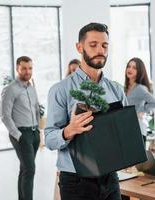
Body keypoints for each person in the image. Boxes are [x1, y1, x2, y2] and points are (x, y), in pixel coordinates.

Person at [45, 22, 127, 200]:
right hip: (76, 182)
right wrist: (69, 130)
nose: (100, 50)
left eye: (105, 45)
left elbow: (124, 133)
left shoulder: (117, 90)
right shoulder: (60, 90)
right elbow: (50, 140)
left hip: (110, 178)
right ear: (79, 47)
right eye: (93, 45)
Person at [0, 56, 40, 200]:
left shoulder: (31, 87)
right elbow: (5, 115)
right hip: (22, 133)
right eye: (24, 68)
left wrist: (39, 131)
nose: (27, 71)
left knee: (25, 169)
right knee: (30, 170)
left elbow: (36, 108)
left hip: (34, 133)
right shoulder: (10, 89)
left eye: (30, 68)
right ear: (17, 68)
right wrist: (18, 135)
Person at [124, 57, 155, 144]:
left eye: (134, 68)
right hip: (127, 129)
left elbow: (154, 103)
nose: (130, 69)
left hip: (138, 130)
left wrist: (141, 111)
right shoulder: (125, 88)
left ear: (139, 71)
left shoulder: (140, 88)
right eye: (129, 66)